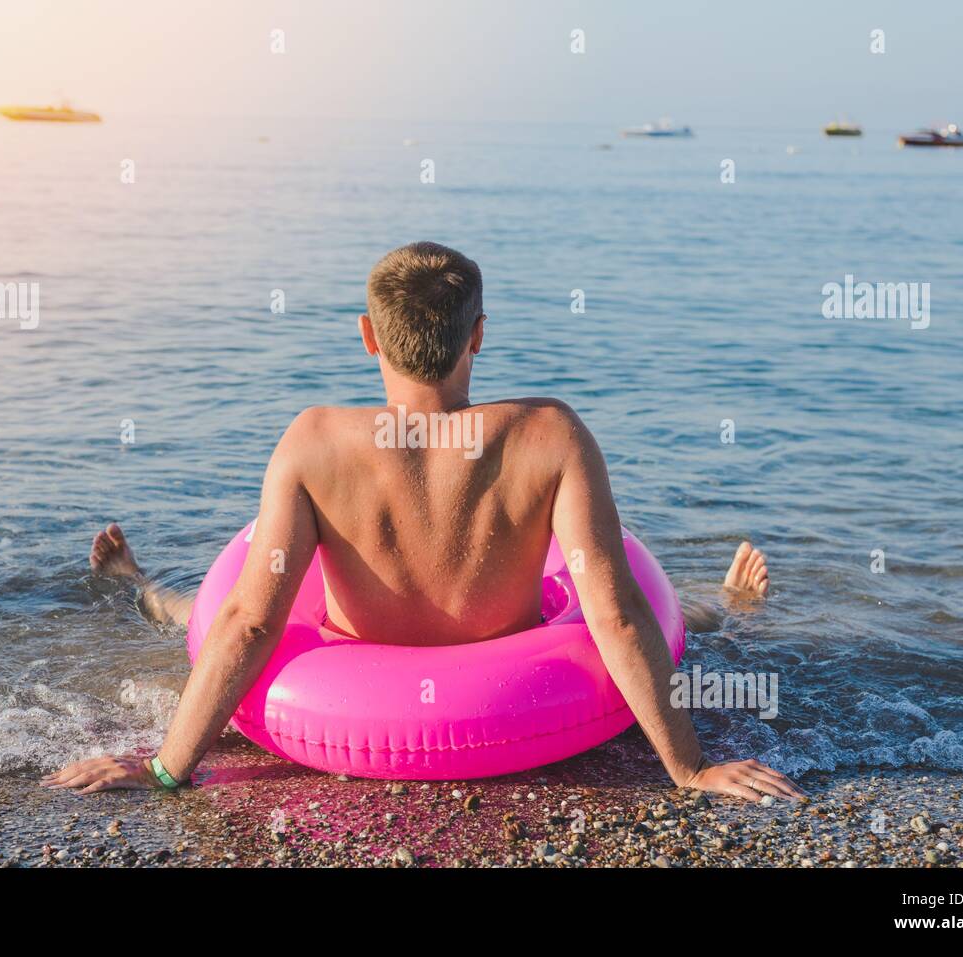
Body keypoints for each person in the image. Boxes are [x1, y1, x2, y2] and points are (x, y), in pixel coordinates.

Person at [43, 242, 800, 802]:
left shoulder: (313, 443)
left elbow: (247, 623)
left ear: (368, 335)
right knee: (669, 611)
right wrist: (689, 767)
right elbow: (615, 613)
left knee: (198, 610)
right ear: (478, 336)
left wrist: (167, 767)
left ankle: (136, 583)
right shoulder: (550, 435)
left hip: (350, 660)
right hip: (514, 673)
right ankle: (728, 606)